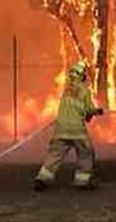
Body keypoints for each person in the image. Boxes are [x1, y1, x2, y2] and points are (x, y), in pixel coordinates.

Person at [34, 60, 104, 191]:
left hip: (60, 129)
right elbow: (88, 110)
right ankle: (82, 181)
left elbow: (72, 108)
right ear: (82, 75)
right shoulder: (84, 90)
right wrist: (97, 111)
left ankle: (42, 179)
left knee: (54, 155)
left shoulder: (66, 90)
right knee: (85, 153)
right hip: (76, 129)